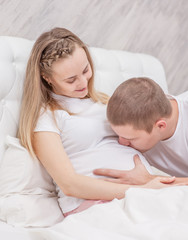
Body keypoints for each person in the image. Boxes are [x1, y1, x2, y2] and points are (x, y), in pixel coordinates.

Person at [18, 28, 176, 217]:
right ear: (47, 78)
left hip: (142, 192)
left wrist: (152, 183)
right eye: (71, 80)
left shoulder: (104, 102)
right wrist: (139, 190)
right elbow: (69, 184)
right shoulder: (46, 118)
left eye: (86, 70)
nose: (83, 82)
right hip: (96, 204)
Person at [94, 77, 188, 185]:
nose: (121, 142)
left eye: (130, 139)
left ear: (161, 126)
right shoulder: (143, 125)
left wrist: (150, 179)